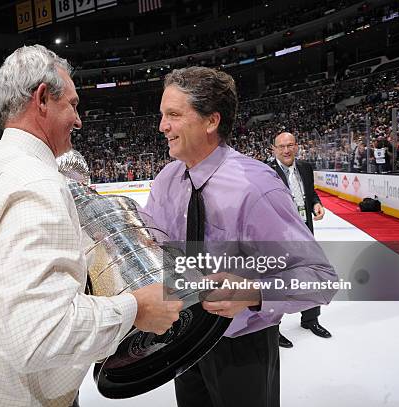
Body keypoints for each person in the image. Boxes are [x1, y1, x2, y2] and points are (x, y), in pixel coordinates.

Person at [0, 44, 182, 407]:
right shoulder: (37, 184)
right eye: (72, 104)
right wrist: (135, 308)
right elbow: (38, 336)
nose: (79, 119)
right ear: (42, 99)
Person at [143, 67, 338, 407]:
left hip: (240, 347)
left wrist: (251, 291)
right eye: (163, 115)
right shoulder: (166, 179)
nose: (162, 126)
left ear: (211, 121)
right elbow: (155, 244)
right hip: (182, 338)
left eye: (173, 115)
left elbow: (320, 279)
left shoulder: (257, 187)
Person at [270, 132, 332, 348]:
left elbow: (310, 192)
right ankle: (272, 329)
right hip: (279, 236)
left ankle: (310, 319)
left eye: (290, 145)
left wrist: (316, 203)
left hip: (305, 231)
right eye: (281, 146)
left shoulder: (305, 167)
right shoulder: (266, 172)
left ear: (297, 146)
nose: (286, 150)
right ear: (274, 149)